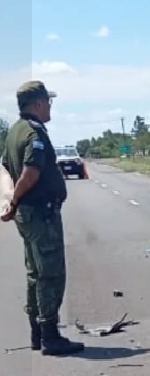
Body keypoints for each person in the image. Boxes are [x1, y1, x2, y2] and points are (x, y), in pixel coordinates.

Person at [0, 81, 85, 356]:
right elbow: (31, 171)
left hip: (28, 212)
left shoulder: (14, 131)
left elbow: (4, 166)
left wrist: (11, 200)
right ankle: (50, 335)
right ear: (36, 103)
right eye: (47, 101)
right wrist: (13, 200)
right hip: (40, 213)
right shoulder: (33, 133)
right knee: (50, 273)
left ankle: (37, 333)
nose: (49, 106)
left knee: (35, 272)